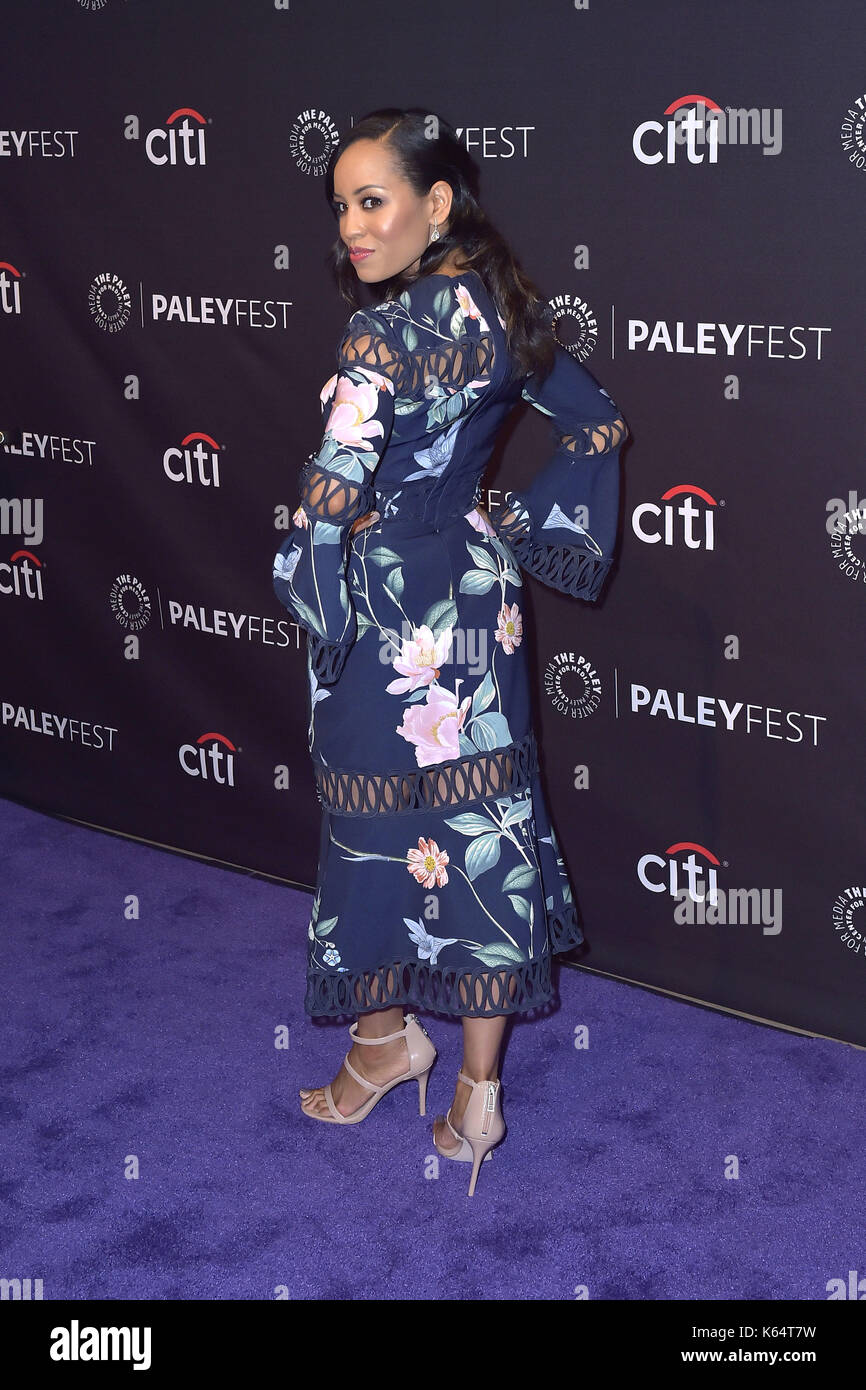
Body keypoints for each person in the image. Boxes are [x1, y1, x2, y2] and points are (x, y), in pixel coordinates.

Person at [271, 108, 629, 1197]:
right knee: (482, 815)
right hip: (473, 596)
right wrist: (510, 527)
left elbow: (332, 495)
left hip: (386, 604)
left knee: (372, 819)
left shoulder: (380, 334)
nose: (350, 226)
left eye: (370, 200)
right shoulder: (507, 315)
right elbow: (597, 423)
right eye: (338, 206)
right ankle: (476, 1099)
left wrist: (310, 581)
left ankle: (383, 1044)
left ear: (437, 204)